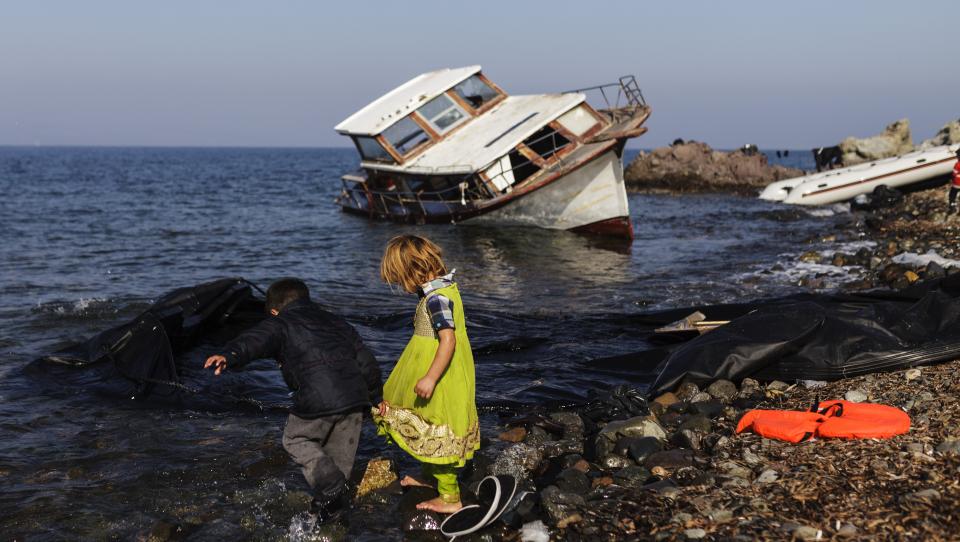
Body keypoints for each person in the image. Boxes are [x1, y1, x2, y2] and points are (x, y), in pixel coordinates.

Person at [204, 278, 382, 524]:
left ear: (275, 310)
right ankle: (330, 520)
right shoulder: (338, 322)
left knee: (296, 439)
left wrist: (230, 354)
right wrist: (375, 397)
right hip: (354, 400)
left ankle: (327, 496)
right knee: (338, 473)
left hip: (316, 399)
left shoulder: (281, 323)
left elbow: (256, 340)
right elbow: (367, 363)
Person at [373, 235, 479, 513]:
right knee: (424, 419)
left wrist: (431, 377)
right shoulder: (445, 287)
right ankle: (430, 477)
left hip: (440, 371)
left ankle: (449, 498)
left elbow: (448, 339)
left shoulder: (436, 299)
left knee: (437, 425)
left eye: (399, 278)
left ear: (411, 271)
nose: (400, 286)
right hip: (433, 365)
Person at [949, 148, 960, 215]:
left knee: (952, 195)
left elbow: (954, 174)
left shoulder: (957, 164)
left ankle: (952, 207)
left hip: (957, 183)